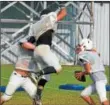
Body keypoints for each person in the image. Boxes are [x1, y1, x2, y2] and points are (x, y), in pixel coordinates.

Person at [22, 7, 67, 105]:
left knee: (46, 77)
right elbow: (63, 14)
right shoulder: (48, 20)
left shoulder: (34, 26)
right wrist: (63, 5)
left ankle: (37, 98)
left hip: (36, 51)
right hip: (44, 49)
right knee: (57, 68)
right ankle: (36, 74)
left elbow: (29, 43)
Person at [0, 39, 38, 105]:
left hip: (27, 79)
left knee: (37, 98)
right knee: (6, 98)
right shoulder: (23, 43)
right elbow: (25, 44)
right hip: (17, 77)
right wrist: (39, 48)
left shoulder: (36, 52)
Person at [75, 38, 109, 105]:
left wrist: (82, 73)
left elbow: (88, 70)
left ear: (85, 46)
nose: (78, 47)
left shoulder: (84, 55)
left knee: (103, 100)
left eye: (80, 45)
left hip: (99, 80)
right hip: (100, 79)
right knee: (84, 94)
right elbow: (96, 53)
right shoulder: (94, 53)